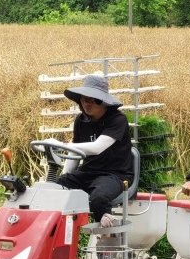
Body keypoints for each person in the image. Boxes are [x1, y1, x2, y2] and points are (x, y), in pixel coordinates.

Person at [55, 75, 133, 227]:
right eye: (84, 99)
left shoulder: (118, 120)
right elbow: (75, 153)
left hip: (114, 174)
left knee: (99, 198)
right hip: (88, 173)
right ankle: (63, 236)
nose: (87, 104)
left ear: (102, 101)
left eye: (92, 99)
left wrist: (60, 144)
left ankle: (107, 238)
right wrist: (66, 176)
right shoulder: (80, 120)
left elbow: (97, 148)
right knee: (57, 188)